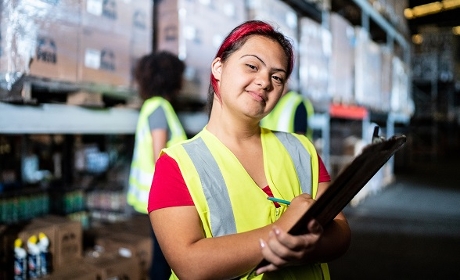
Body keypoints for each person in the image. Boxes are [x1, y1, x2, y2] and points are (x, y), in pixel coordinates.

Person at [148, 20, 351, 279]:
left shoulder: (302, 150)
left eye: (277, 77)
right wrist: (281, 232)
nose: (265, 82)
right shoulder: (176, 165)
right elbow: (190, 264)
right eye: (252, 66)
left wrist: (306, 248)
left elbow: (341, 230)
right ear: (218, 68)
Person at [127, 51, 187, 280]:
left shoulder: (152, 106)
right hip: (165, 197)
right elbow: (159, 156)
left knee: (162, 256)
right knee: (164, 259)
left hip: (159, 196)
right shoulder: (159, 108)